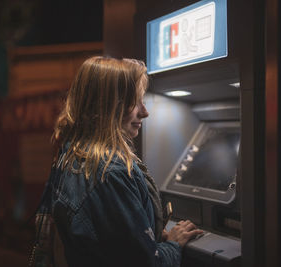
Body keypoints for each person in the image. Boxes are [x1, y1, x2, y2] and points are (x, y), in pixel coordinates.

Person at [33, 56, 202, 267]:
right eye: (136, 102)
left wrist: (148, 238)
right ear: (110, 106)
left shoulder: (71, 155)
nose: (145, 112)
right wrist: (173, 245)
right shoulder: (110, 174)